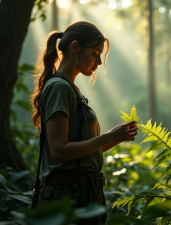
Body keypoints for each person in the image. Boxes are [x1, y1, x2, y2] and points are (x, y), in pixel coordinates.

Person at [30, 21, 138, 224]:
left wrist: (114, 138)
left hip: (84, 194)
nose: (99, 62)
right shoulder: (59, 87)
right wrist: (106, 137)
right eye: (96, 53)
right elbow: (59, 152)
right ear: (75, 47)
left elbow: (80, 154)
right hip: (68, 197)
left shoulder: (71, 89)